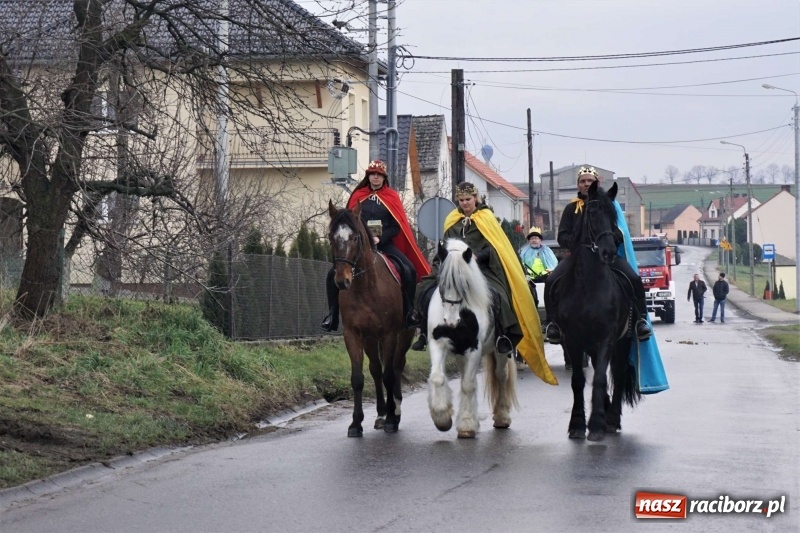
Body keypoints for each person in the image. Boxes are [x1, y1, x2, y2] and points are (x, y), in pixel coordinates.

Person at [409, 182, 556, 387]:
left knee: (500, 296)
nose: (465, 203)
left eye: (468, 200)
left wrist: (478, 257)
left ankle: (503, 336)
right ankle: (424, 331)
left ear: (475, 199)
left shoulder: (486, 219)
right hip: (454, 268)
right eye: (461, 200)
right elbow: (445, 244)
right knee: (423, 287)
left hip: (484, 269)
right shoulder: (453, 221)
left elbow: (494, 247)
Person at [542, 166, 652, 344]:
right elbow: (562, 235)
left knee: (633, 278)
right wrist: (578, 243)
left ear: (596, 183)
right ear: (578, 185)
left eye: (590, 181)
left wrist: (608, 241)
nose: (586, 184)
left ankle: (640, 321)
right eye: (583, 181)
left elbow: (618, 232)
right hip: (578, 258)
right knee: (551, 280)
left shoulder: (607, 205)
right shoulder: (571, 208)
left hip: (606, 257)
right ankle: (552, 323)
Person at [321, 160, 431, 332]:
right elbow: (349, 224)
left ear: (384, 178)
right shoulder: (357, 196)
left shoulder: (392, 197)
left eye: (379, 175)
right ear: (368, 176)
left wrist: (380, 238)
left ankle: (409, 313)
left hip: (385, 244)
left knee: (409, 270)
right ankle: (332, 315)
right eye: (372, 174)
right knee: (331, 275)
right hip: (360, 248)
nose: (375, 177)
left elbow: (397, 226)